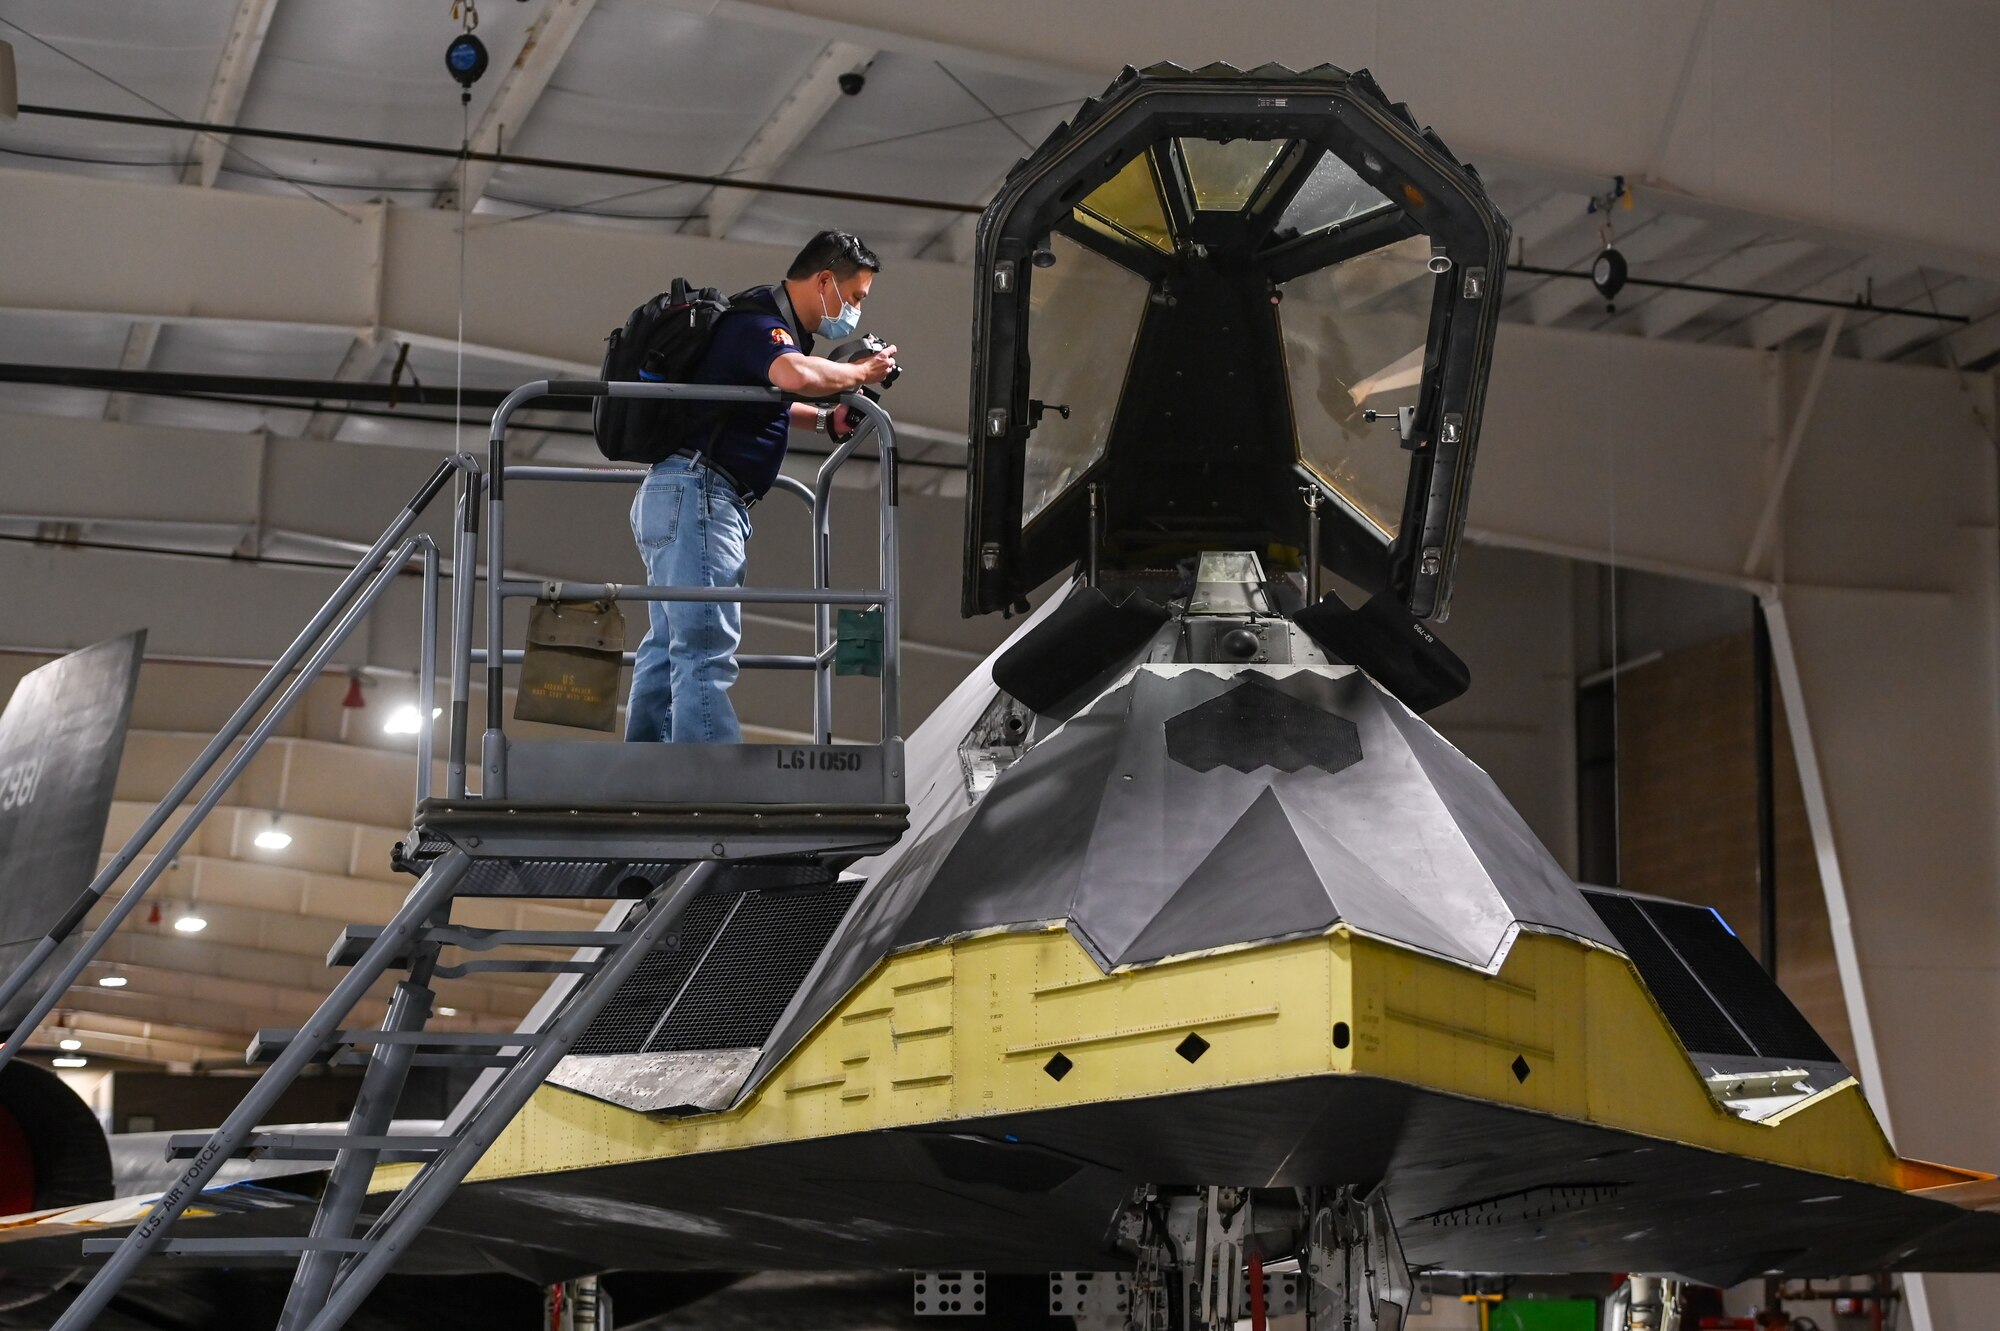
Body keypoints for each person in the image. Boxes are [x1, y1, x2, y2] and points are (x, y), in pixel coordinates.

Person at [625, 230, 898, 744]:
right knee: (705, 644)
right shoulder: (759, 324)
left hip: (677, 491)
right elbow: (794, 375)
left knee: (669, 644)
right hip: (701, 493)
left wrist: (823, 422)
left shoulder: (756, 325)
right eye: (855, 297)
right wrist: (858, 370)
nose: (855, 310)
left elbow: (761, 399)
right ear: (824, 282)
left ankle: (642, 767)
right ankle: (708, 783)